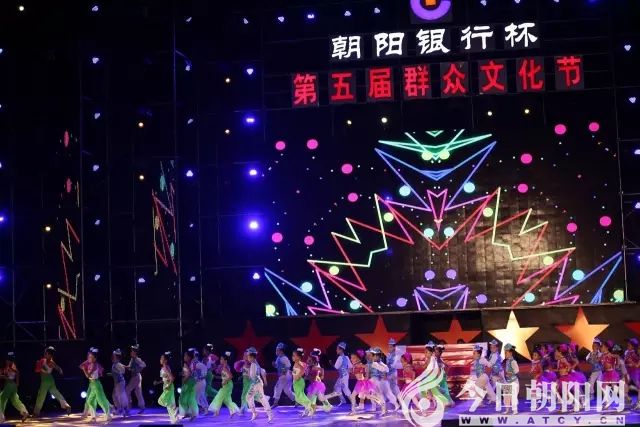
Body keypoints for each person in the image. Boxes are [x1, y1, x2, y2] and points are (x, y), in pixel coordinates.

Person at [33, 346, 71, 417]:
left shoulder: (43, 360)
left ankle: (36, 413)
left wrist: (39, 365)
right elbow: (59, 368)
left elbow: (37, 370)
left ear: (49, 354)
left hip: (45, 380)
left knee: (41, 397)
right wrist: (60, 371)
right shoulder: (52, 362)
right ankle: (66, 405)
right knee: (57, 394)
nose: (44, 354)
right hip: (51, 380)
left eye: (46, 353)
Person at [80, 347, 112, 422]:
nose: (89, 358)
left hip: (96, 384)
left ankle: (108, 415)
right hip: (92, 384)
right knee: (90, 401)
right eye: (89, 357)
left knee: (101, 400)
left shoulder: (95, 365)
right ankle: (93, 417)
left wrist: (84, 369)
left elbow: (88, 376)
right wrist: (84, 367)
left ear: (95, 358)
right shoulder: (90, 364)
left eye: (91, 357)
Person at [458, 344, 495, 409]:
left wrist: (490, 372)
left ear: (478, 354)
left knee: (477, 388)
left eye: (474, 353)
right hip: (483, 377)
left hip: (482, 377)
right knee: (489, 389)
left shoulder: (482, 359)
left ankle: (480, 403)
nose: (473, 355)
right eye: (473, 353)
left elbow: (489, 365)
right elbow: (474, 368)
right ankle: (494, 399)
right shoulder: (475, 361)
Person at [349, 349, 385, 415]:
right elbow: (354, 374)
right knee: (353, 396)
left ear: (358, 358)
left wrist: (364, 384)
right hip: (359, 383)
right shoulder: (354, 366)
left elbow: (367, 376)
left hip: (364, 383)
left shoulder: (364, 366)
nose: (351, 359)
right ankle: (353, 411)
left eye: (353, 358)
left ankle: (383, 406)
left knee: (369, 397)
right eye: (351, 358)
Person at [245, 347, 273, 422]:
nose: (247, 358)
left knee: (258, 398)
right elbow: (261, 372)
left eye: (248, 356)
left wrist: (250, 375)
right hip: (256, 383)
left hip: (256, 384)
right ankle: (264, 414)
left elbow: (256, 375)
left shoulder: (254, 364)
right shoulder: (254, 363)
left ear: (252, 357)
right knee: (252, 397)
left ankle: (264, 414)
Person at [0, 351, 30, 423]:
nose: (6, 361)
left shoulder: (10, 366)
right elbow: (17, 373)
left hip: (9, 385)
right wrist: (17, 383)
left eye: (7, 359)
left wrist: (4, 377)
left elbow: (13, 374)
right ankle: (24, 412)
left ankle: (1, 417)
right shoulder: (12, 365)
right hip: (13, 386)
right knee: (15, 400)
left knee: (1, 399)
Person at [208, 351, 239, 417]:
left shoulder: (225, 367)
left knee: (218, 396)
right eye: (220, 359)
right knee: (227, 399)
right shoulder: (224, 367)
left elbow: (230, 376)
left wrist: (225, 381)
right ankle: (233, 411)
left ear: (225, 360)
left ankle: (216, 412)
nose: (220, 360)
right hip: (227, 384)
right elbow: (224, 376)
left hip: (227, 385)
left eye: (222, 359)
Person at [370, 347, 399, 411]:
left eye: (376, 356)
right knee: (375, 394)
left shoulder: (378, 363)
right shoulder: (375, 363)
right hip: (377, 380)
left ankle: (393, 406)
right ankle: (376, 407)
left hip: (381, 381)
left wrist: (384, 372)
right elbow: (384, 369)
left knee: (385, 393)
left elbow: (386, 369)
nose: (375, 357)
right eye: (374, 356)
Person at [153, 351, 178, 424]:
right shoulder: (164, 368)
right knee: (169, 404)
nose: (160, 360)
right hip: (166, 386)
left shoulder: (166, 368)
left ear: (166, 360)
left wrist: (168, 386)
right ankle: (174, 420)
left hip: (168, 386)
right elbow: (165, 379)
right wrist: (158, 382)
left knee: (161, 401)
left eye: (162, 358)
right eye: (160, 358)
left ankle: (174, 409)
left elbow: (172, 378)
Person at [271, 342, 295, 407]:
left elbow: (288, 366)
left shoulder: (284, 358)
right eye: (276, 350)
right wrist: (274, 365)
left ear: (281, 351)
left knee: (277, 387)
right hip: (285, 375)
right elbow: (277, 366)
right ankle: (297, 400)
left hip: (285, 375)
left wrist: (284, 373)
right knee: (287, 390)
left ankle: (275, 403)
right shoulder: (278, 358)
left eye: (277, 350)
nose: (276, 352)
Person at [291, 348, 313, 416]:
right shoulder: (300, 363)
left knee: (300, 398)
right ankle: (308, 409)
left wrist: (298, 375)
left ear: (298, 357)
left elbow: (297, 375)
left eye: (294, 355)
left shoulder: (297, 364)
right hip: (299, 381)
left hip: (298, 382)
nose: (292, 357)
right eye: (292, 355)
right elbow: (305, 368)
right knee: (299, 398)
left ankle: (310, 406)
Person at [125, 344, 146, 414]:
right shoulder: (132, 359)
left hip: (136, 377)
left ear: (135, 353)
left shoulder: (137, 359)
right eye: (131, 351)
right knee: (138, 392)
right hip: (136, 376)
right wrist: (123, 367)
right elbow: (129, 367)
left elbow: (144, 365)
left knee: (127, 390)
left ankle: (128, 407)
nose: (131, 352)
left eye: (132, 351)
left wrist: (138, 370)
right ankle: (142, 407)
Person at [178, 348, 198, 421]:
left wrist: (184, 380)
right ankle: (190, 413)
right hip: (192, 382)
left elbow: (188, 374)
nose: (184, 357)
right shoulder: (193, 363)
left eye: (185, 356)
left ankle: (192, 414)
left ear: (189, 357)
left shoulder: (187, 364)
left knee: (184, 398)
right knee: (188, 398)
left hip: (189, 382)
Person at [499, 344, 519, 415]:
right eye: (505, 353)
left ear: (511, 353)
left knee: (513, 396)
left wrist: (511, 373)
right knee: (506, 396)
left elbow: (517, 370)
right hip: (508, 381)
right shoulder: (507, 361)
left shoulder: (513, 361)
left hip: (514, 381)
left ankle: (515, 410)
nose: (505, 354)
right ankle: (507, 409)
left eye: (506, 352)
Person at [110, 349, 129, 417]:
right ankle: (120, 409)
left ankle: (125, 410)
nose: (112, 357)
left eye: (114, 356)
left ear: (117, 357)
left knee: (121, 396)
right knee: (114, 395)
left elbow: (123, 371)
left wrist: (118, 372)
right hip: (117, 382)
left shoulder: (117, 364)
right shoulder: (115, 364)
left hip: (120, 382)